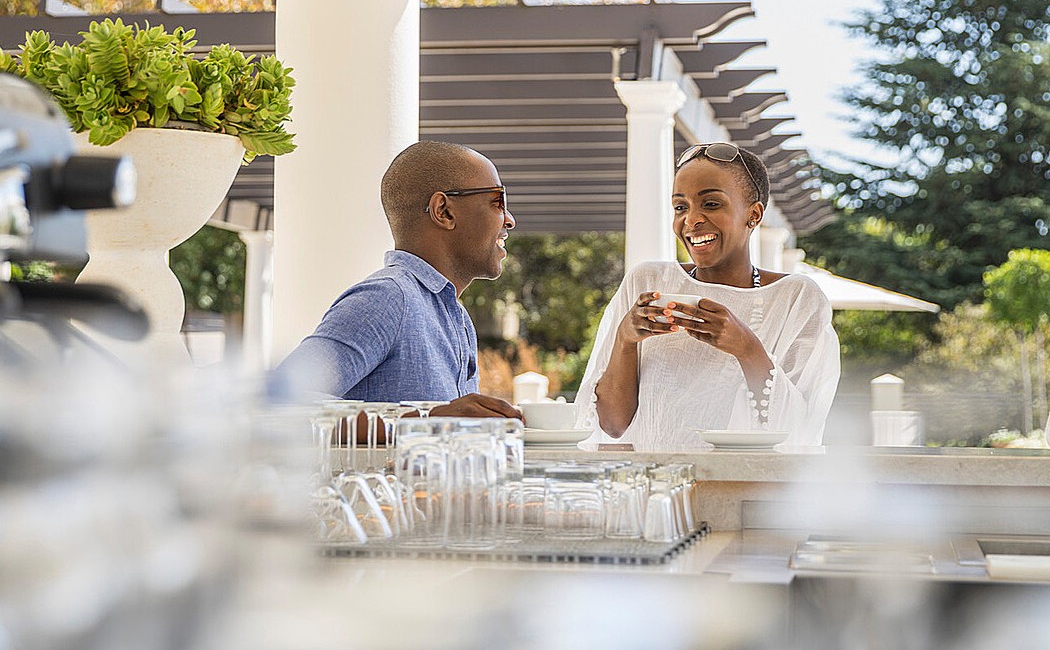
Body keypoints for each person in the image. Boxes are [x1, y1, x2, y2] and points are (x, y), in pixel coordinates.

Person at [574, 142, 839, 450]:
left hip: (738, 488)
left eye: (711, 204)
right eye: (680, 207)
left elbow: (797, 430)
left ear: (753, 215)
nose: (691, 220)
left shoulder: (796, 298)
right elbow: (612, 426)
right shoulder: (648, 280)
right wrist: (625, 339)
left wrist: (748, 348)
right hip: (652, 488)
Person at [274, 140, 520, 420]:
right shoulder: (388, 298)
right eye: (498, 202)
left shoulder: (457, 319)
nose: (509, 220)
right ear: (444, 211)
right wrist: (423, 422)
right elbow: (281, 402)